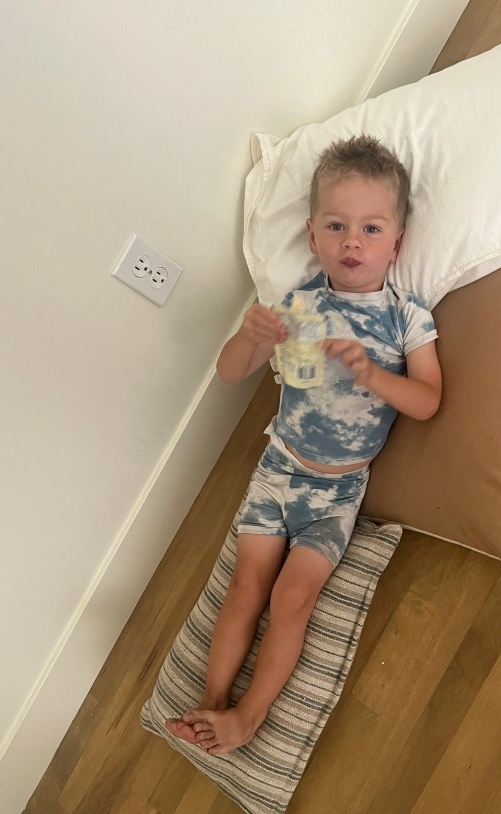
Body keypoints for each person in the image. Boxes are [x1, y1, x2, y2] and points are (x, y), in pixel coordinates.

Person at [165, 134, 442, 755]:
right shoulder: (298, 305)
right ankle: (211, 702)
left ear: (397, 243)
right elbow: (231, 373)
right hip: (276, 472)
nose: (352, 242)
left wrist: (373, 374)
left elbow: (428, 400)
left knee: (292, 598)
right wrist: (250, 336)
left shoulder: (406, 315)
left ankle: (249, 715)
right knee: (246, 587)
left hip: (336, 493)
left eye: (371, 229)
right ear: (313, 237)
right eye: (336, 226)